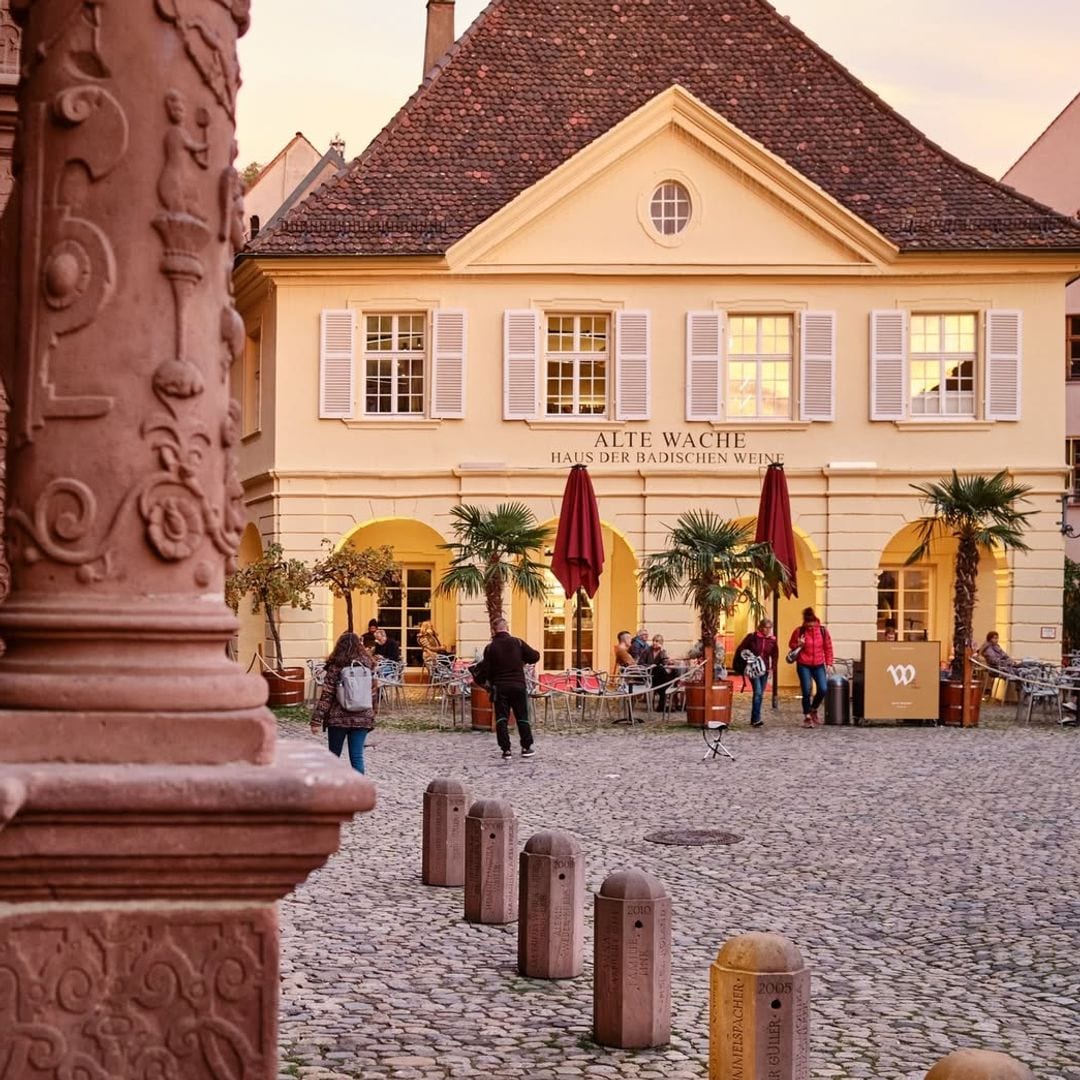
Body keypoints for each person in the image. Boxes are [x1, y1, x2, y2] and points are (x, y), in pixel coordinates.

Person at [309, 631, 378, 773]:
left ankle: (333, 789)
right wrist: (373, 714)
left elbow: (327, 695)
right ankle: (359, 791)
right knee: (357, 757)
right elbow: (373, 692)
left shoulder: (335, 667)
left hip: (338, 718)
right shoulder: (368, 666)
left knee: (333, 756)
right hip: (362, 717)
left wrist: (316, 720)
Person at [479, 617, 539, 760]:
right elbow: (535, 656)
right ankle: (526, 747)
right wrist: (522, 660)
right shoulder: (517, 642)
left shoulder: (490, 648)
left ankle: (506, 750)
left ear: (494, 630)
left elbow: (485, 671)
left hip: (500, 687)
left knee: (502, 718)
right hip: (518, 685)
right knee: (522, 717)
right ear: (507, 628)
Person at [789, 607, 833, 727]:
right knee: (806, 689)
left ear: (815, 622)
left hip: (818, 664)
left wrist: (829, 663)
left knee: (823, 688)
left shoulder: (823, 631)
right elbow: (791, 644)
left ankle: (813, 709)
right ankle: (807, 716)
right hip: (804, 664)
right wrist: (798, 644)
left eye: (812, 626)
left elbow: (828, 647)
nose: (810, 628)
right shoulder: (799, 631)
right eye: (808, 626)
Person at [734, 618, 779, 728]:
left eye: (769, 628)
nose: (767, 630)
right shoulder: (752, 638)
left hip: (765, 669)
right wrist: (749, 657)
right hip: (753, 669)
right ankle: (756, 718)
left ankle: (755, 718)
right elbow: (741, 649)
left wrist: (773, 667)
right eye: (765, 627)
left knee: (760, 694)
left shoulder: (772, 640)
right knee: (758, 692)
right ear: (760, 627)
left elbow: (775, 654)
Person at [643, 633, 675, 712]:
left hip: (659, 678)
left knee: (667, 672)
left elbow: (665, 662)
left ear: (661, 643)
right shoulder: (647, 651)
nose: (654, 643)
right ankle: (664, 704)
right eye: (653, 641)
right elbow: (640, 664)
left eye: (657, 641)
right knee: (660, 670)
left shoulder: (662, 652)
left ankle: (662, 705)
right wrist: (650, 665)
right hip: (649, 675)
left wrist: (662, 651)